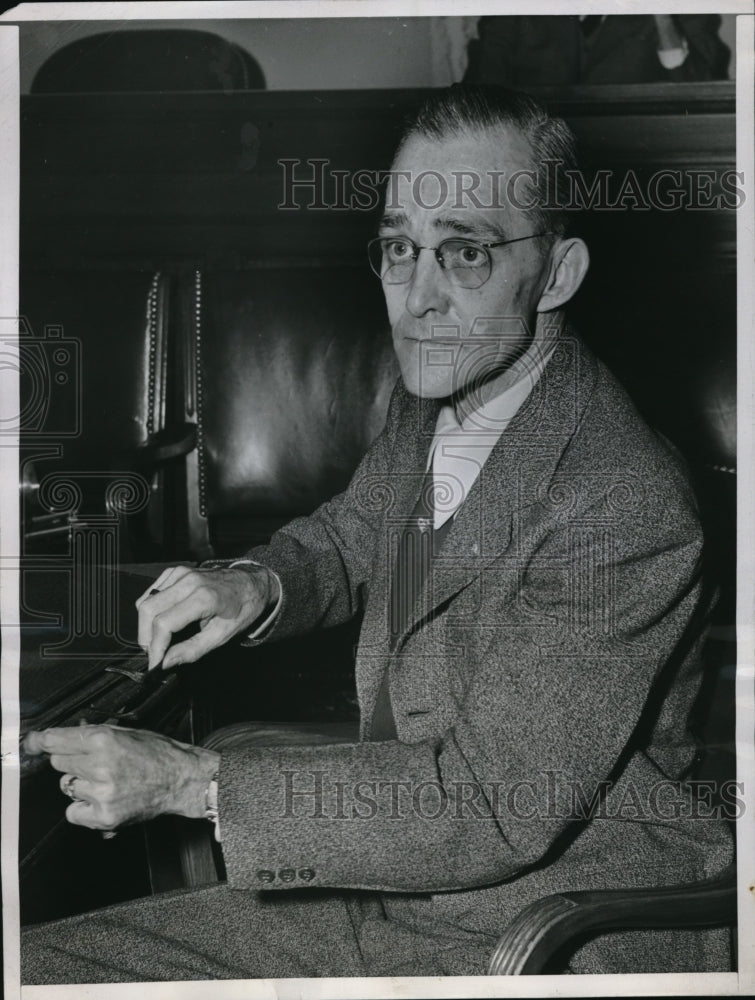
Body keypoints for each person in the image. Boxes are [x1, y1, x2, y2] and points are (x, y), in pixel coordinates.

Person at [22, 85, 733, 983]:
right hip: (400, 880)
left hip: (542, 929)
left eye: (465, 252)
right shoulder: (442, 392)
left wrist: (188, 784)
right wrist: (256, 583)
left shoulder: (620, 505)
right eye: (400, 248)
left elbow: (488, 808)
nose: (418, 299)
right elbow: (356, 535)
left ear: (557, 273)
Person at [464, 14, 730, 86]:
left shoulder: (684, 13)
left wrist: (661, 16)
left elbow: (702, 95)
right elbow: (482, 90)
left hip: (640, 181)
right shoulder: (513, 11)